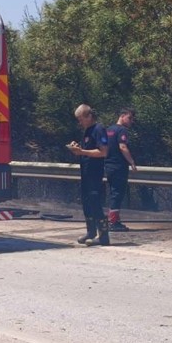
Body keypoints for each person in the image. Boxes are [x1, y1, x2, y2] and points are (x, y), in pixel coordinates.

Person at [65, 104, 110, 245]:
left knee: (95, 202)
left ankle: (103, 236)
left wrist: (82, 152)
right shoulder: (87, 131)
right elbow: (86, 147)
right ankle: (90, 232)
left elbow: (103, 152)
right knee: (86, 202)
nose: (80, 122)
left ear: (89, 116)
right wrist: (77, 147)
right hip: (85, 172)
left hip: (94, 173)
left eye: (81, 119)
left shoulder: (99, 129)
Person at [104, 107, 138, 231]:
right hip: (118, 166)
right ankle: (113, 222)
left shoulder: (109, 130)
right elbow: (123, 146)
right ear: (122, 116)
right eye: (129, 118)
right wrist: (132, 162)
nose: (131, 121)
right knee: (117, 193)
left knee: (114, 193)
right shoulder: (122, 130)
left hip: (108, 165)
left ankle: (113, 219)